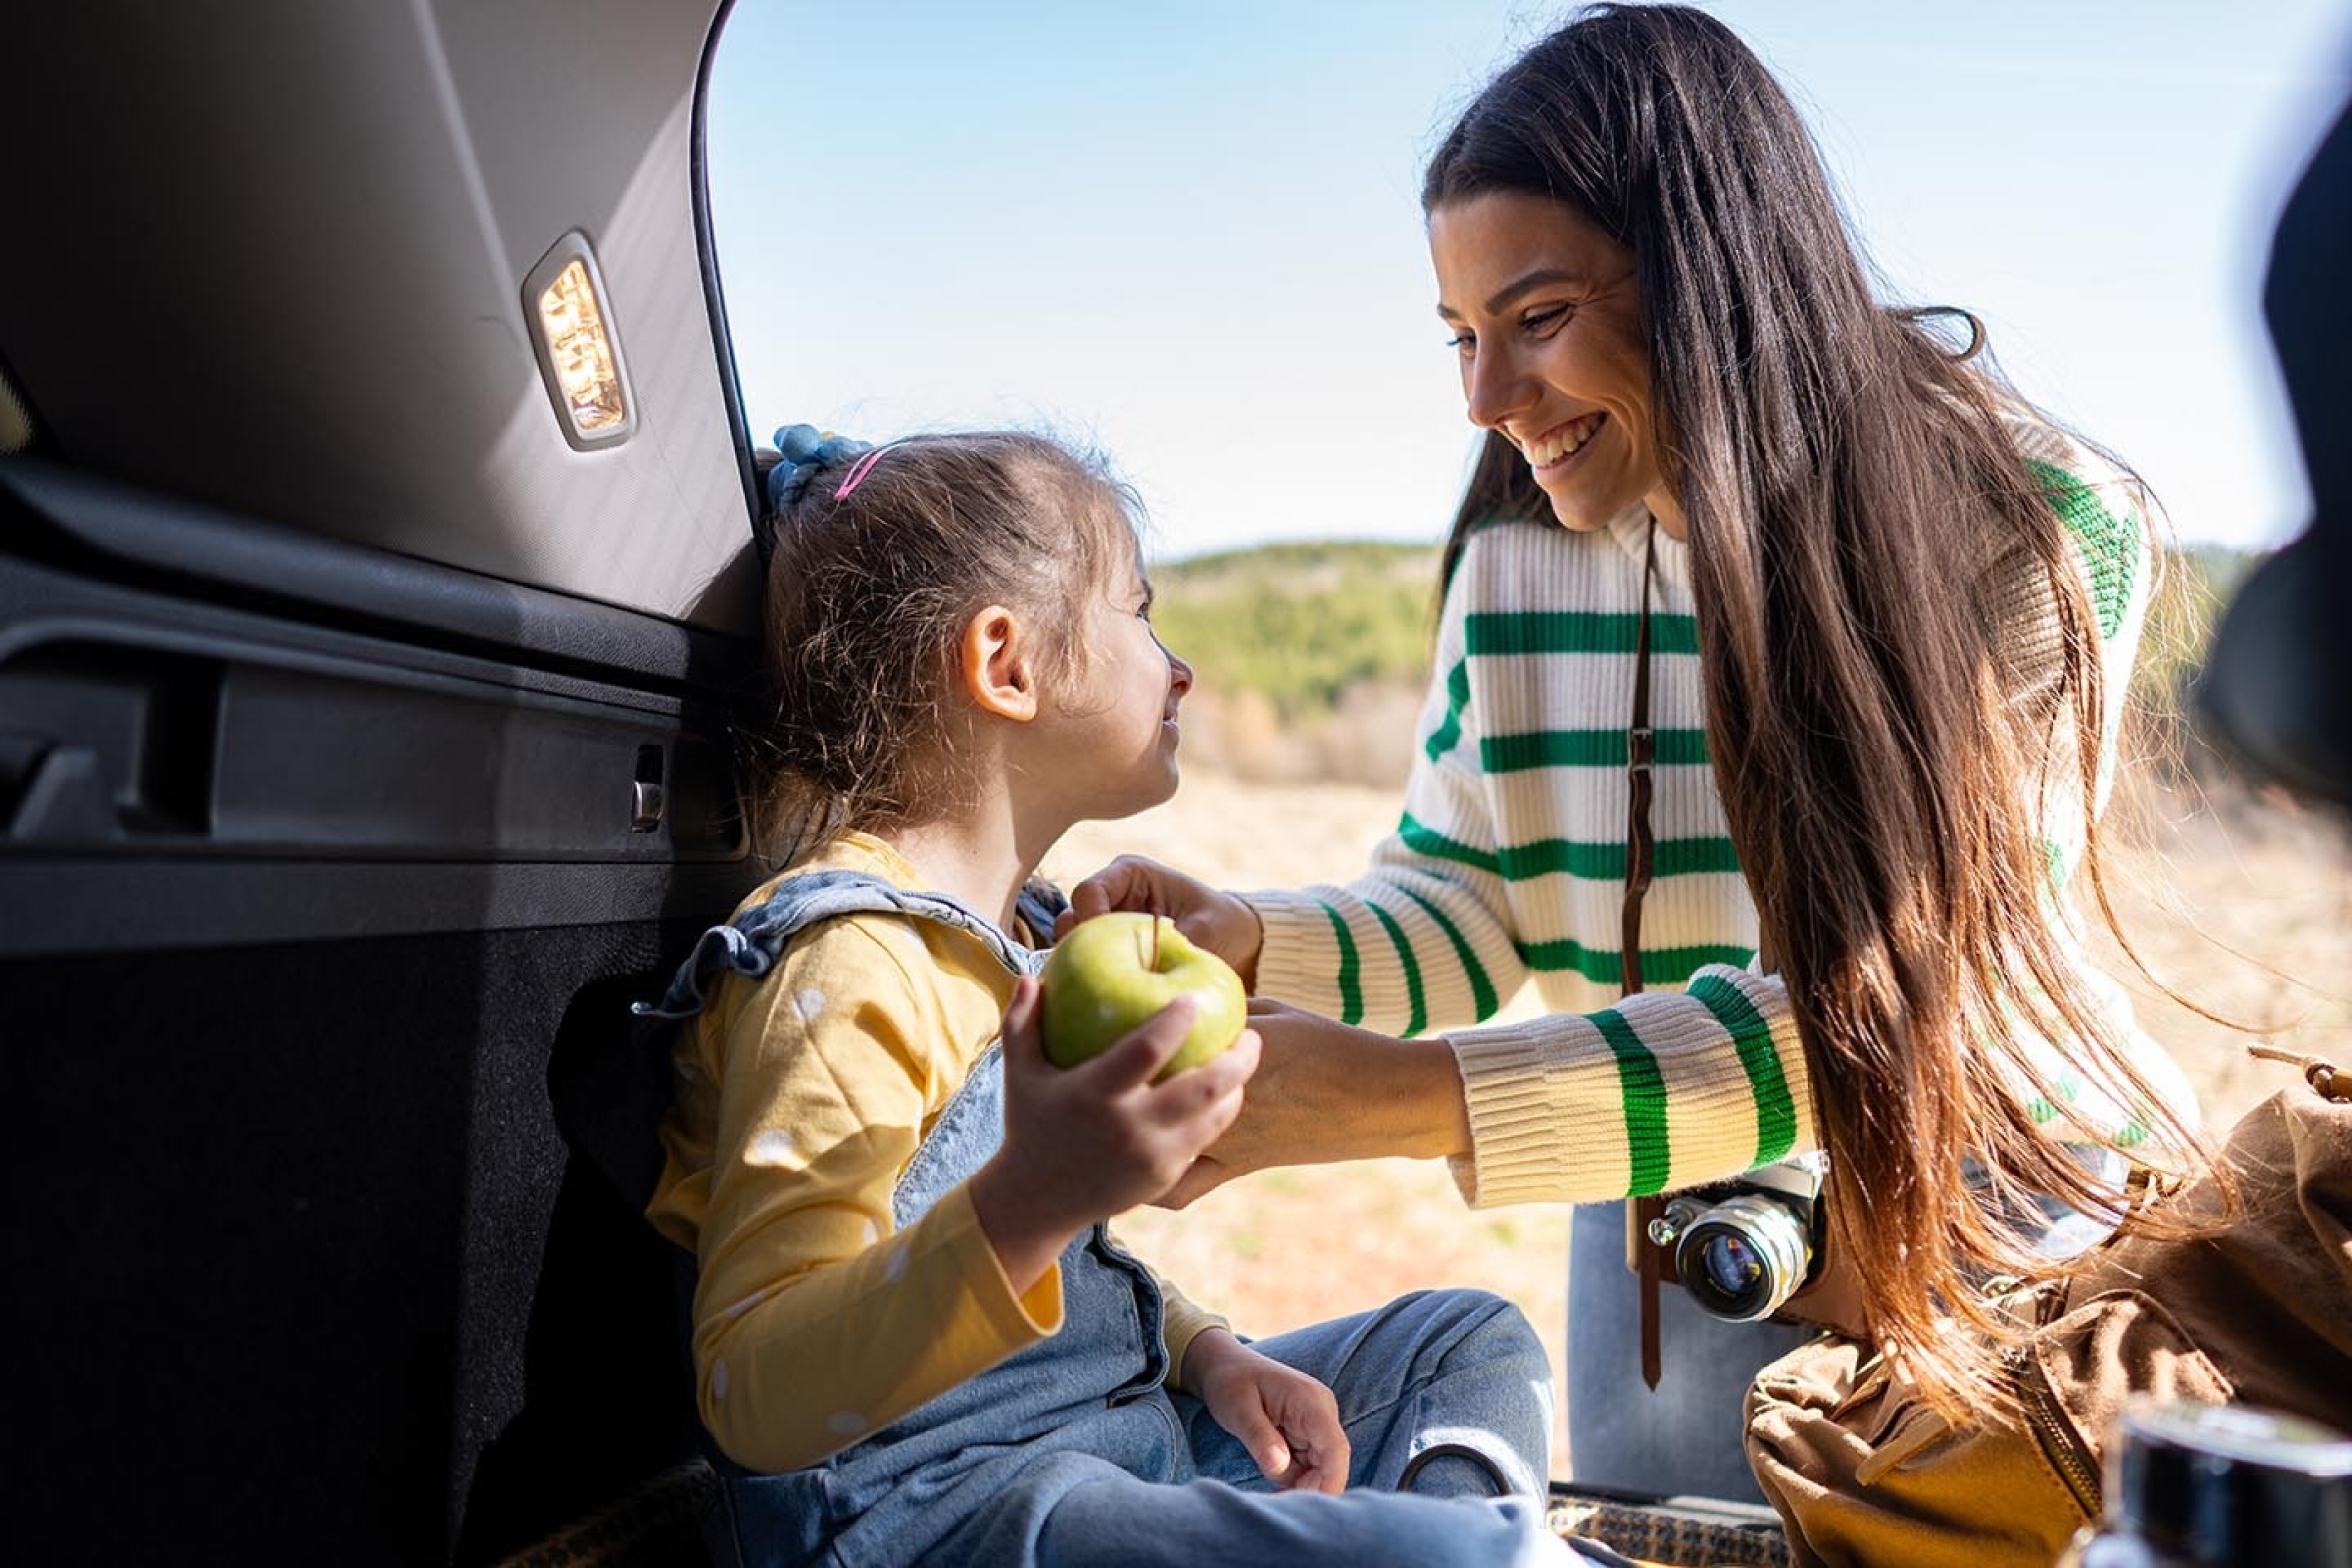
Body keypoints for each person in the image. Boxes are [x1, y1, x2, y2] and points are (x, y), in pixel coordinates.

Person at [1064, 2, 2210, 1502]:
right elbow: (1472, 907)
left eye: (1536, 320)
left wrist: (1401, 1099)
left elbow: (1888, 1011)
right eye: (1462, 337)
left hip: (1998, 1220)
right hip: (1664, 1211)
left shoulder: (2040, 528)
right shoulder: (1520, 565)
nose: (1483, 399)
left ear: (1713, 275)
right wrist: (1252, 945)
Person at [639, 425, 1615, 1567]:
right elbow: (751, 1389)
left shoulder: (1031, 941)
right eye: (1140, 610)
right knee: (1452, 1555)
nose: (1180, 664)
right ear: (1006, 664)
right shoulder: (847, 964)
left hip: (1115, 1446)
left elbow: (1081, 1274)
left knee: (1464, 1344)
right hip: (951, 1515)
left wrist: (1207, 1353)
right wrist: (1028, 1201)